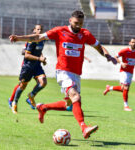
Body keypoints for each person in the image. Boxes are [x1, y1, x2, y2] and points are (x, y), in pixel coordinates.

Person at [9, 10, 117, 139]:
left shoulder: (85, 34)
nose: (78, 26)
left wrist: (108, 55)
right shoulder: (60, 31)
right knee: (76, 97)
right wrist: (19, 38)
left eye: (81, 24)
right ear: (70, 20)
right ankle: (84, 128)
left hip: (76, 74)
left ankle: (43, 107)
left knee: (69, 104)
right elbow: (38, 37)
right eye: (76, 23)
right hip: (63, 71)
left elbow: (98, 46)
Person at [9, 24, 47, 114]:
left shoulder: (43, 40)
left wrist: (42, 59)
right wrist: (38, 58)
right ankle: (15, 102)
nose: (39, 31)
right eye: (38, 29)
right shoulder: (30, 41)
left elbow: (39, 51)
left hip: (37, 65)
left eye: (41, 29)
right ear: (34, 30)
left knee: (43, 82)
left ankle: (31, 95)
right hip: (28, 66)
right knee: (22, 86)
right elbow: (26, 54)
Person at [103, 38, 135, 111]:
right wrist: (121, 63)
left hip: (130, 72)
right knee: (126, 88)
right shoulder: (125, 51)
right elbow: (115, 57)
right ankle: (126, 106)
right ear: (130, 43)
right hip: (124, 71)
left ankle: (109, 88)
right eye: (132, 42)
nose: (134, 44)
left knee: (123, 89)